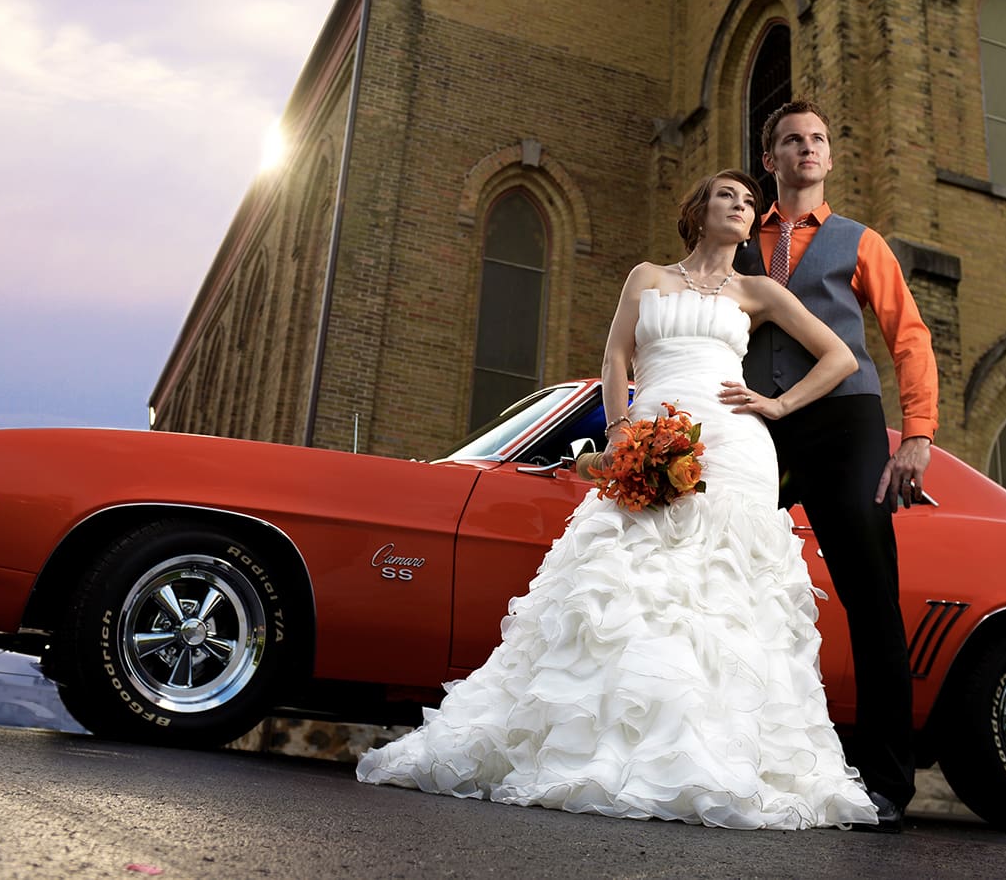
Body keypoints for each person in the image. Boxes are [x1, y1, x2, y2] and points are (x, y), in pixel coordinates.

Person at [356, 170, 878, 830]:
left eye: (750, 202)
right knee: (622, 587)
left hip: (732, 450)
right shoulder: (647, 278)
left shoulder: (760, 291)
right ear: (699, 209)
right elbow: (615, 359)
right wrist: (622, 430)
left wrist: (776, 404)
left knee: (719, 599)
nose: (741, 206)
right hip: (650, 428)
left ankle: (715, 752)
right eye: (728, 196)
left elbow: (839, 357)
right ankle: (608, 744)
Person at [731, 99, 939, 833]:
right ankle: (730, 755)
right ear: (771, 160)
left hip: (845, 421)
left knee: (871, 596)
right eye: (792, 140)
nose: (807, 148)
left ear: (828, 156)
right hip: (755, 422)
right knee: (723, 575)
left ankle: (887, 782)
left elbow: (908, 336)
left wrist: (916, 431)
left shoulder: (862, 242)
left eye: (818, 138)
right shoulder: (739, 240)